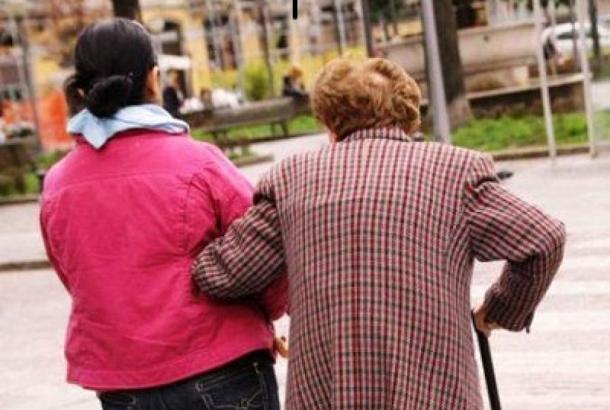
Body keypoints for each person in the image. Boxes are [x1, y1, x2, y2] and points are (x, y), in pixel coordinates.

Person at [192, 58, 566, 409]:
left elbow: (225, 273)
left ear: (329, 119)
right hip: (435, 395)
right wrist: (499, 310)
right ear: (407, 114)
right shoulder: (456, 171)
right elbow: (544, 238)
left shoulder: (292, 179)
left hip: (328, 394)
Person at [41, 18, 286, 410]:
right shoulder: (200, 163)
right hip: (222, 365)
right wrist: (266, 314)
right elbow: (264, 251)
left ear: (82, 90)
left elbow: (76, 276)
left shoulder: (57, 185)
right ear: (154, 79)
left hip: (124, 382)